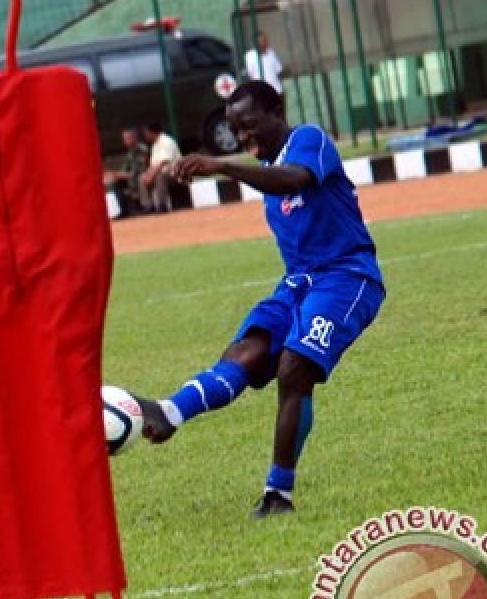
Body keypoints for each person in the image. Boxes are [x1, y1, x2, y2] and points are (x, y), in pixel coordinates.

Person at [122, 80, 385, 519]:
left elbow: (293, 180)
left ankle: (277, 494)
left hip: (346, 277)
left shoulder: (309, 141)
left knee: (293, 368)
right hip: (298, 284)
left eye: (249, 126)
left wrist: (224, 165)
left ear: (276, 111)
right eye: (235, 131)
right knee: (248, 352)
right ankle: (169, 411)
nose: (244, 138)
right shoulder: (267, 168)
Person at [104, 128, 150, 217]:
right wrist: (115, 173)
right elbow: (125, 169)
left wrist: (120, 174)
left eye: (128, 138)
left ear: (134, 137)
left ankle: (131, 208)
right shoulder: (130, 152)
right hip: (131, 176)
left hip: (142, 175)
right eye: (124, 139)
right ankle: (118, 210)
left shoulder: (142, 149)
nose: (125, 141)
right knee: (109, 179)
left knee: (114, 178)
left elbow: (139, 170)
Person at [137, 121, 181, 214]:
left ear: (152, 132)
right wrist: (147, 174)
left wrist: (151, 176)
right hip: (161, 173)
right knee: (142, 178)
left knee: (160, 176)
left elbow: (162, 163)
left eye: (146, 133)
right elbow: (153, 165)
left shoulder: (167, 141)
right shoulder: (155, 144)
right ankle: (148, 206)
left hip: (176, 173)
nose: (145, 135)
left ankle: (162, 205)